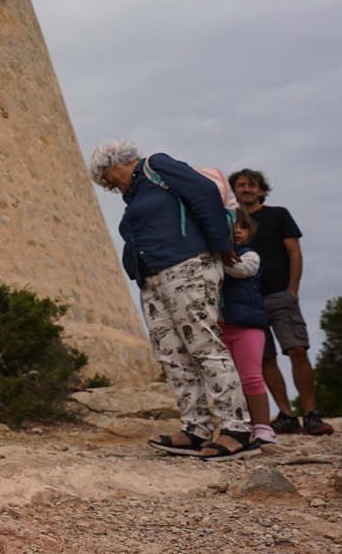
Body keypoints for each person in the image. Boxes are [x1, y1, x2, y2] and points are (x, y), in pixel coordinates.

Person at [90, 140, 254, 458]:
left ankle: (237, 429)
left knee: (204, 346)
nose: (107, 185)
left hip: (188, 265)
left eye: (105, 177)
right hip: (152, 278)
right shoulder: (133, 195)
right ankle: (195, 429)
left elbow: (204, 193)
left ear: (115, 162)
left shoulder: (156, 166)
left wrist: (221, 244)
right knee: (172, 355)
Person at [228, 169, 332, 436]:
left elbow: (294, 252)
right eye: (241, 185)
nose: (246, 189)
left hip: (279, 294)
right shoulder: (231, 221)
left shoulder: (278, 215)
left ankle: (311, 414)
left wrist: (293, 290)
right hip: (250, 300)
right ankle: (285, 414)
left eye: (252, 185)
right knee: (265, 359)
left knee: (297, 350)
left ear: (262, 189)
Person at [219, 210, 277, 446]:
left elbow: (240, 270)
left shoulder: (250, 256)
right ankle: (240, 426)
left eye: (242, 226)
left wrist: (218, 256)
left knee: (252, 377)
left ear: (250, 231)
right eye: (232, 227)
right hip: (223, 326)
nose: (237, 231)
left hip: (248, 326)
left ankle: (263, 428)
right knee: (229, 380)